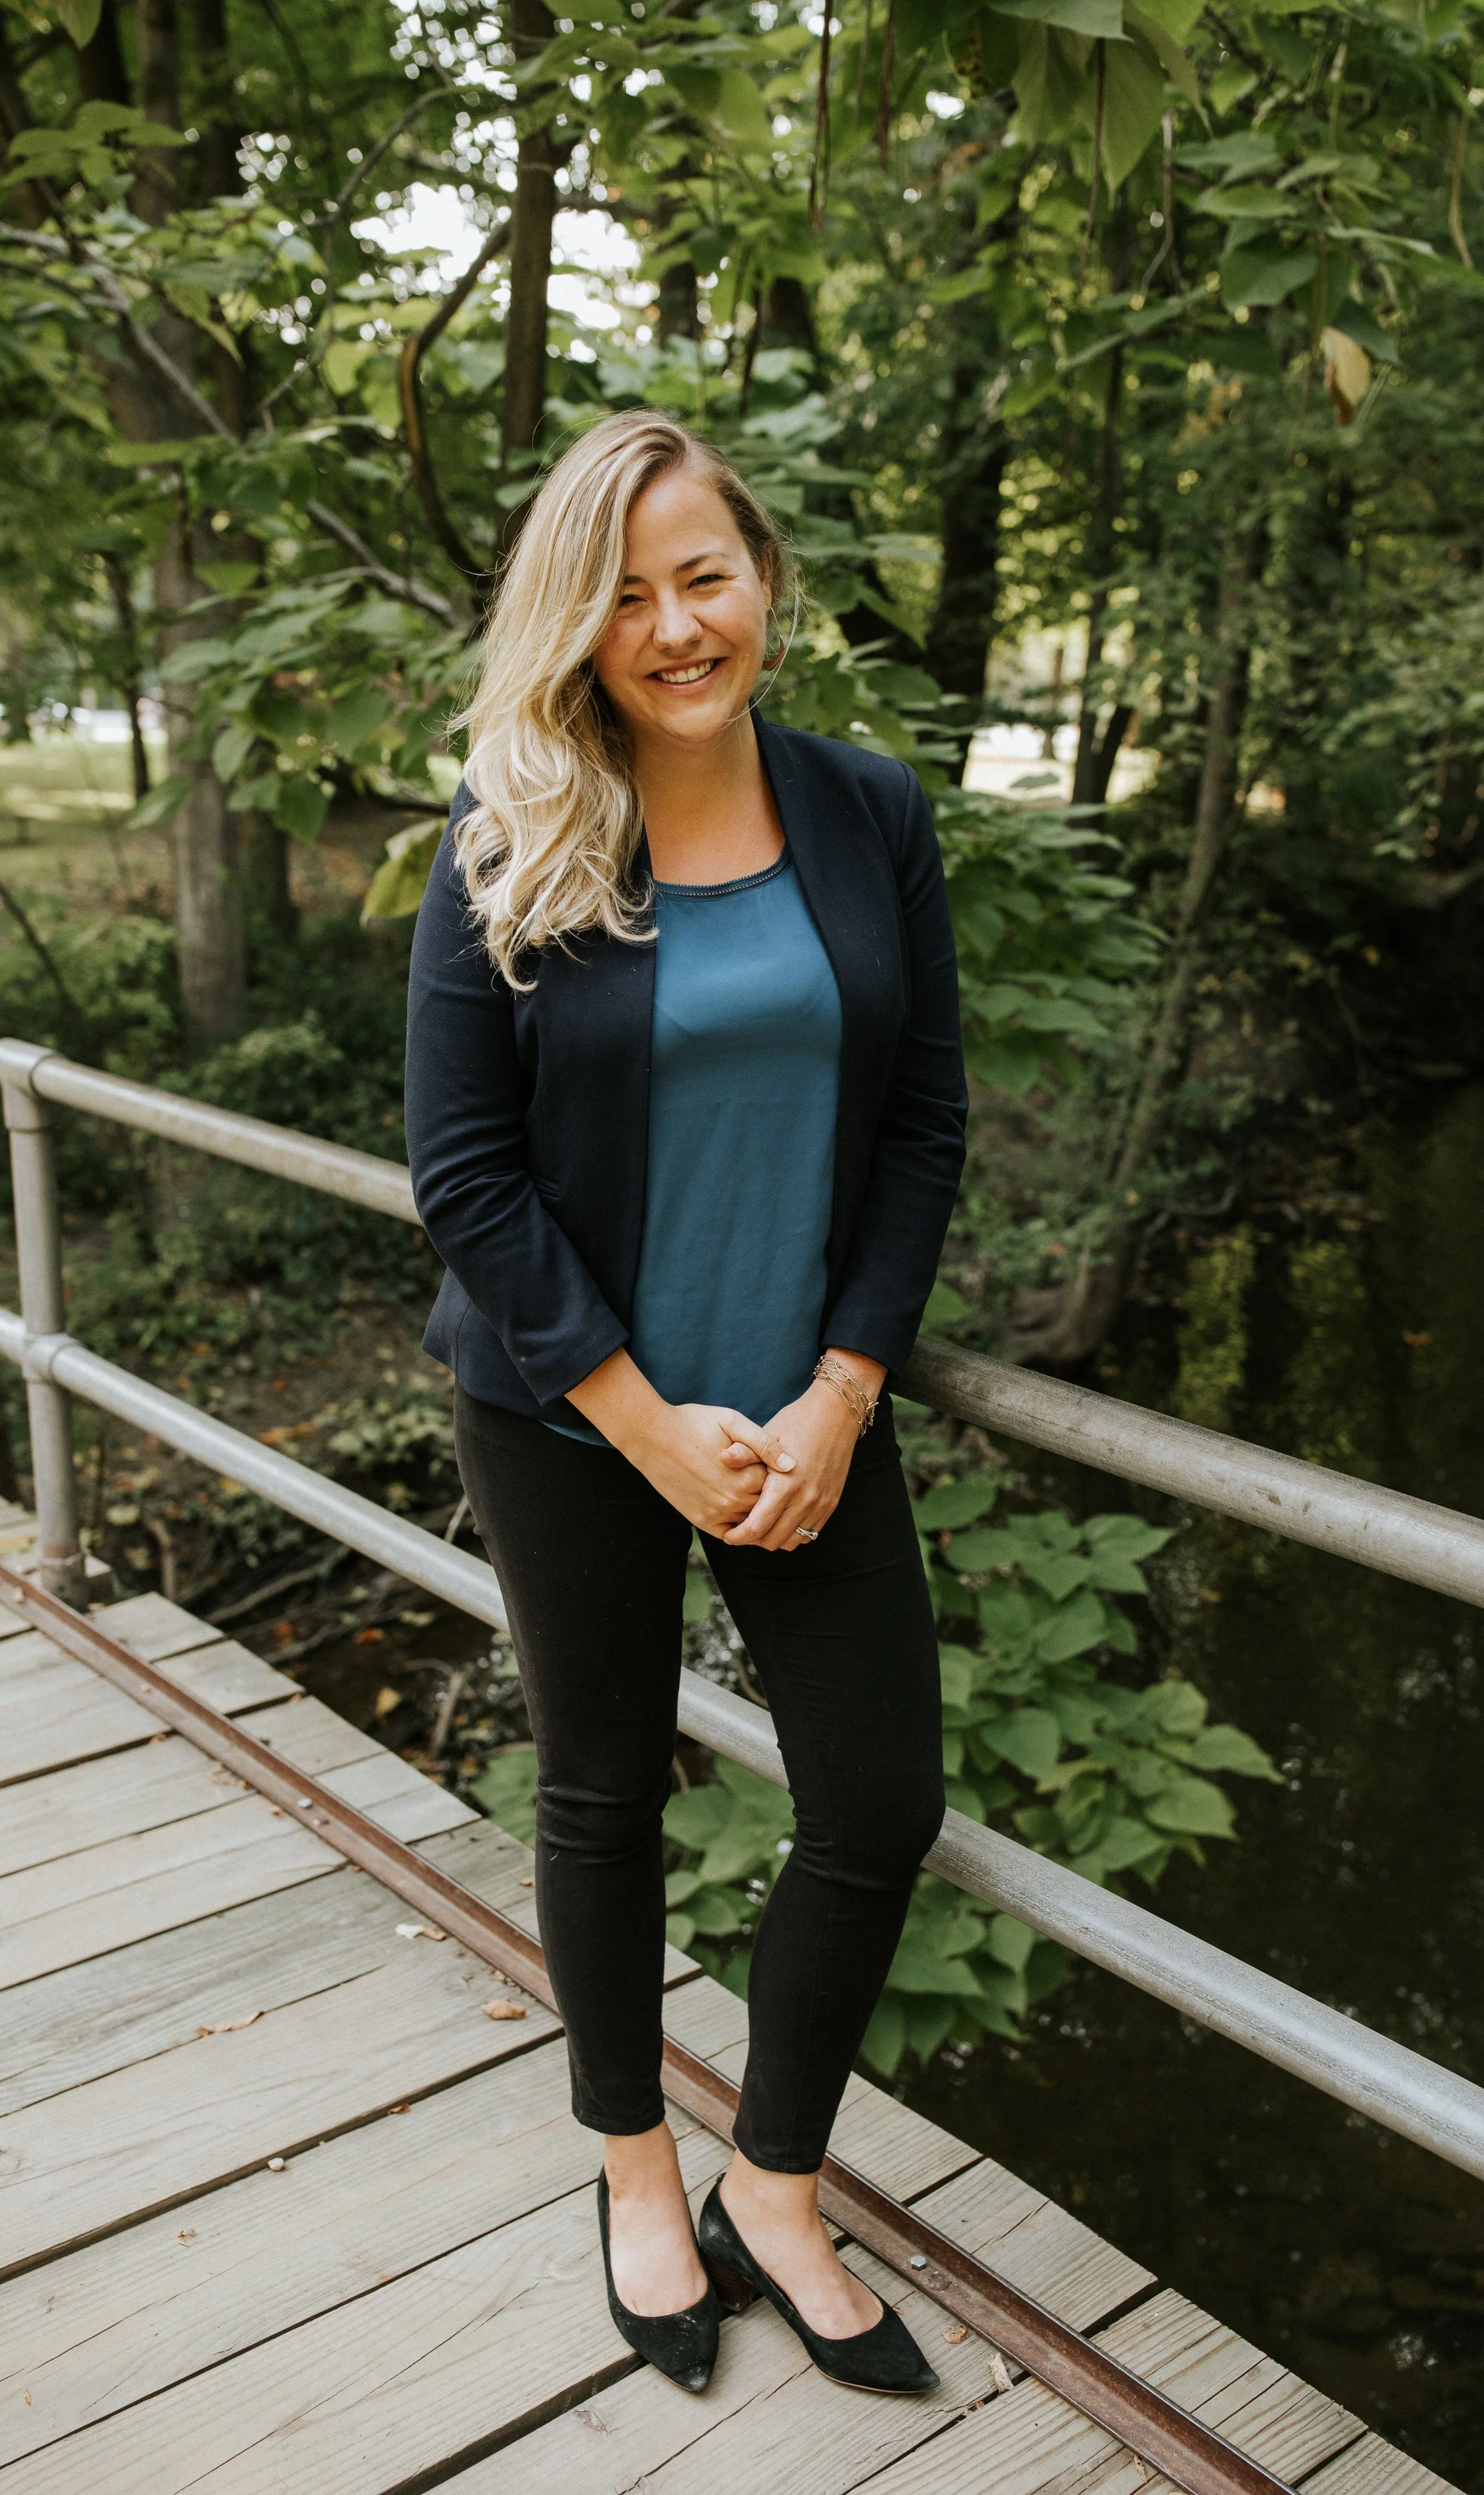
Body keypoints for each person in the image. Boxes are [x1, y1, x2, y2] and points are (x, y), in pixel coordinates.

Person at [405, 409, 966, 2399]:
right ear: (577, 619)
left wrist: (839, 1387)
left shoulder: (865, 809)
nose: (671, 623)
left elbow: (921, 1124)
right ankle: (634, 2169)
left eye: (701, 574)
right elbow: (460, 1168)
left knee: (878, 1797)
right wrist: (646, 1420)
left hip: (809, 1412)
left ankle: (779, 2183)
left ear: (764, 583)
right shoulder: (519, 827)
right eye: (625, 591)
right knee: (603, 1793)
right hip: (577, 1421)